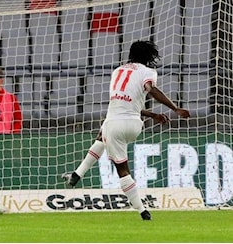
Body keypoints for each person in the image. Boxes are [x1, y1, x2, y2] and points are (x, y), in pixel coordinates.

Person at [65, 40, 190, 221]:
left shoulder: (117, 71)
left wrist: (172, 108)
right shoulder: (148, 72)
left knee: (122, 169)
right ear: (148, 56)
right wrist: (166, 111)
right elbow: (147, 92)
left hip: (115, 125)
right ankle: (76, 174)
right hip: (134, 125)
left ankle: (142, 211)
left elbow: (132, 98)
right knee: (102, 135)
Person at [62, 110, 170, 186]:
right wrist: (154, 115)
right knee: (101, 138)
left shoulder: (121, 85)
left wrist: (154, 115)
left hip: (121, 121)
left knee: (123, 170)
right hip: (130, 122)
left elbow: (132, 104)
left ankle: (141, 208)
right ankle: (76, 175)